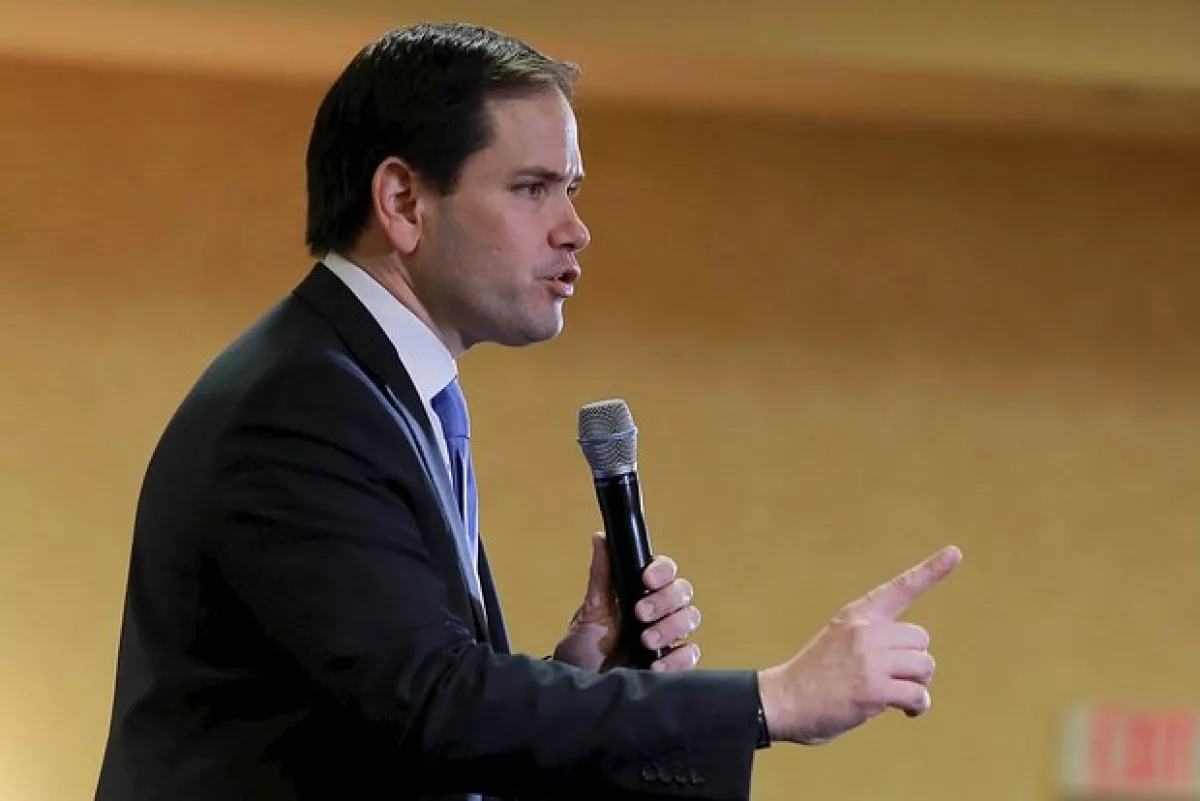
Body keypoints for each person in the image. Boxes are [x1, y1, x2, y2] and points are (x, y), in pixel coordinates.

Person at [92, 21, 963, 801]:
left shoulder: (377, 390)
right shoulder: (301, 406)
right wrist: (773, 699)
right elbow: (431, 706)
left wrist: (581, 670)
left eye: (571, 187)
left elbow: (396, 725)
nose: (575, 228)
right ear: (402, 203)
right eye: (534, 188)